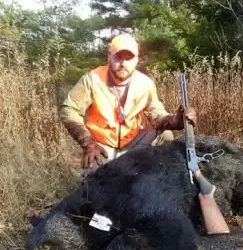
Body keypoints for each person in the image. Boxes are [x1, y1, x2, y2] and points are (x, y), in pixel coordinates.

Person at [59, 34, 197, 178]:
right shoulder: (92, 79)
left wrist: (176, 121)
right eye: (118, 57)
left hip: (132, 142)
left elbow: (157, 115)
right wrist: (88, 143)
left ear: (136, 60)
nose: (123, 63)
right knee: (92, 181)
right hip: (102, 144)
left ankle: (152, 174)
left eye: (129, 58)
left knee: (166, 135)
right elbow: (69, 109)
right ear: (109, 57)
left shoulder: (145, 84)